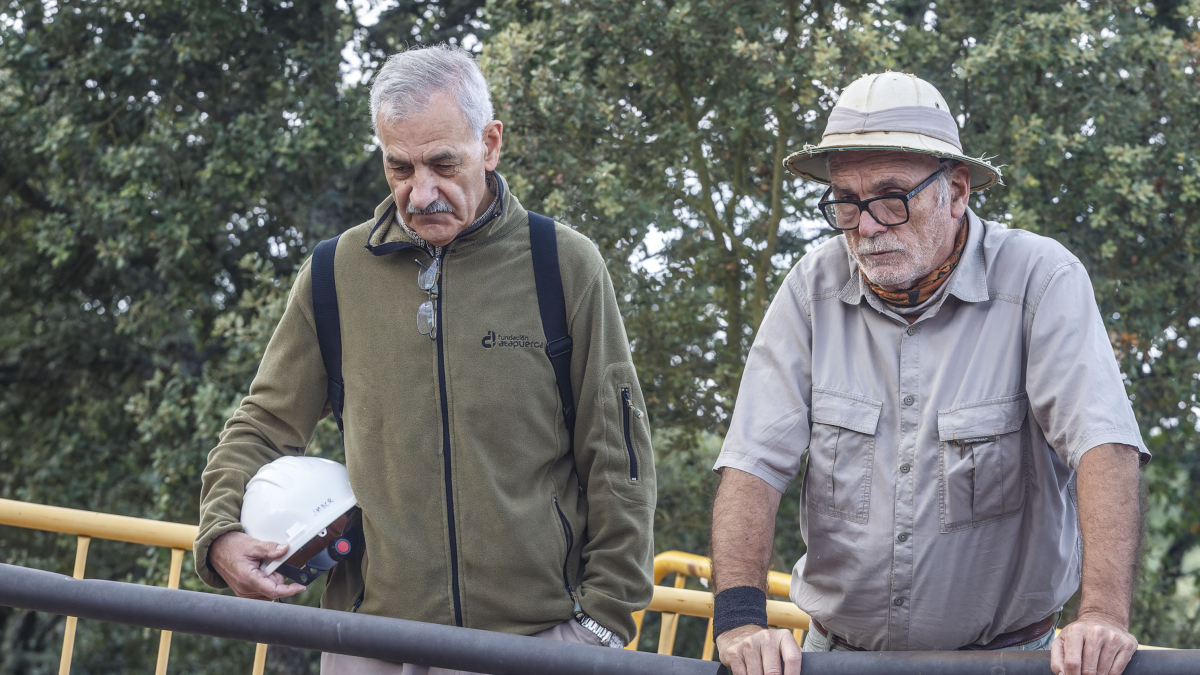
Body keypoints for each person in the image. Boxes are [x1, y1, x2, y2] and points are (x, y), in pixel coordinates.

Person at [192, 44, 656, 674]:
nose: (420, 192)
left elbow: (619, 451)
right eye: (399, 168)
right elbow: (262, 425)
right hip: (368, 643)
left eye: (444, 164)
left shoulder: (564, 264)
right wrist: (219, 534)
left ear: (490, 144)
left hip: (529, 644)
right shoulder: (335, 272)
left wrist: (603, 620)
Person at [708, 72, 1148, 675]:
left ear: (957, 191)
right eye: (845, 200)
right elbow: (753, 462)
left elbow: (1103, 444)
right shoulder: (810, 289)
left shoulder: (1041, 279)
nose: (865, 226)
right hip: (838, 659)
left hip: (1006, 662)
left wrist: (1101, 615)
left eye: (892, 196)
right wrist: (739, 623)